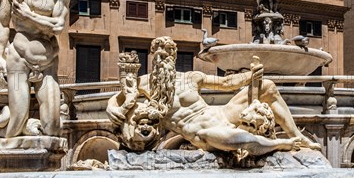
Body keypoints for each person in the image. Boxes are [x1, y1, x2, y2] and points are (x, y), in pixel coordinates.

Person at [107, 36, 320, 158]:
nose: (162, 57)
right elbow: (119, 98)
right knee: (238, 140)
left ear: (174, 56)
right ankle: (282, 144)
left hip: (220, 114)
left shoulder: (192, 77)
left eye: (167, 53)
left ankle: (297, 137)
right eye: (158, 53)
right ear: (153, 56)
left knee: (268, 86)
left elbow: (227, 84)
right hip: (202, 132)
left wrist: (251, 75)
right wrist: (111, 109)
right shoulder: (145, 82)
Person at [0, 0, 71, 138]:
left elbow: (58, 26)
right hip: (19, 56)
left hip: (49, 61)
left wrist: (28, 15)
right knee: (17, 120)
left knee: (53, 126)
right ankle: (10, 122)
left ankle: (29, 124)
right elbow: (2, 23)